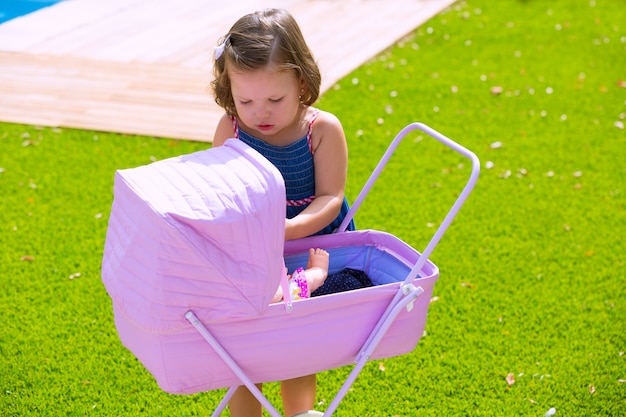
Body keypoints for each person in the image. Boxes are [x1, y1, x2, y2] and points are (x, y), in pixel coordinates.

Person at [210, 7, 355, 417]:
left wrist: (289, 229)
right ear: (229, 90)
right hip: (253, 253)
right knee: (244, 343)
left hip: (311, 243)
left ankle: (298, 412)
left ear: (303, 84)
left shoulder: (321, 129)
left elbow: (330, 197)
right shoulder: (232, 128)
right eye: (246, 100)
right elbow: (222, 194)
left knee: (298, 342)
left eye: (276, 98)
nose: (261, 112)